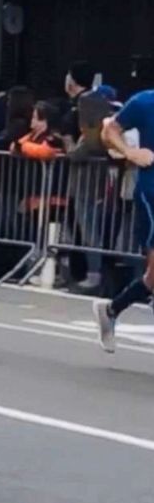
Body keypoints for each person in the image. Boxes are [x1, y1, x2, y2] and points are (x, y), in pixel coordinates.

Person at [94, 92, 154, 352]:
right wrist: (130, 152)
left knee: (152, 278)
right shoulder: (145, 102)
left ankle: (111, 309)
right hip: (152, 192)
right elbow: (109, 130)